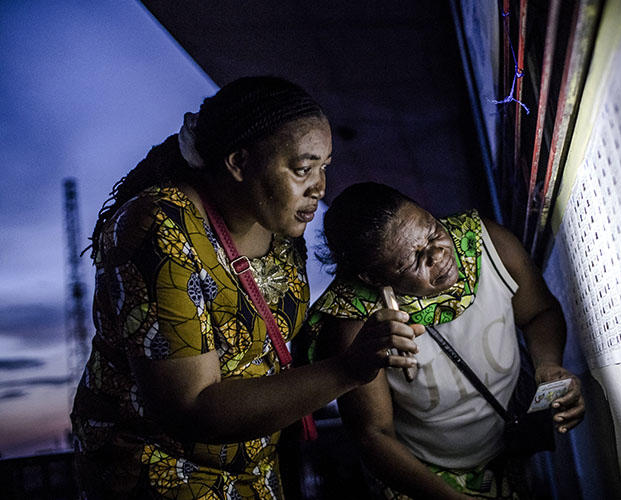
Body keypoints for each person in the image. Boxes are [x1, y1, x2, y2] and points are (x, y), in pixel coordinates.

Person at [70, 78, 421, 499]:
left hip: (256, 468)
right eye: (303, 169)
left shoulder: (281, 225)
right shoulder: (159, 227)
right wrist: (348, 368)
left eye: (324, 167)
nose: (320, 188)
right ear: (238, 163)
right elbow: (193, 408)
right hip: (159, 474)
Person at [303, 182, 585, 499]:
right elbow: (374, 435)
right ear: (374, 278)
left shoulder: (485, 245)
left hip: (506, 448)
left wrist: (548, 366)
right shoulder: (359, 327)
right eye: (414, 260)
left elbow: (540, 313)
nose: (438, 254)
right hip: (427, 477)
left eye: (434, 231)